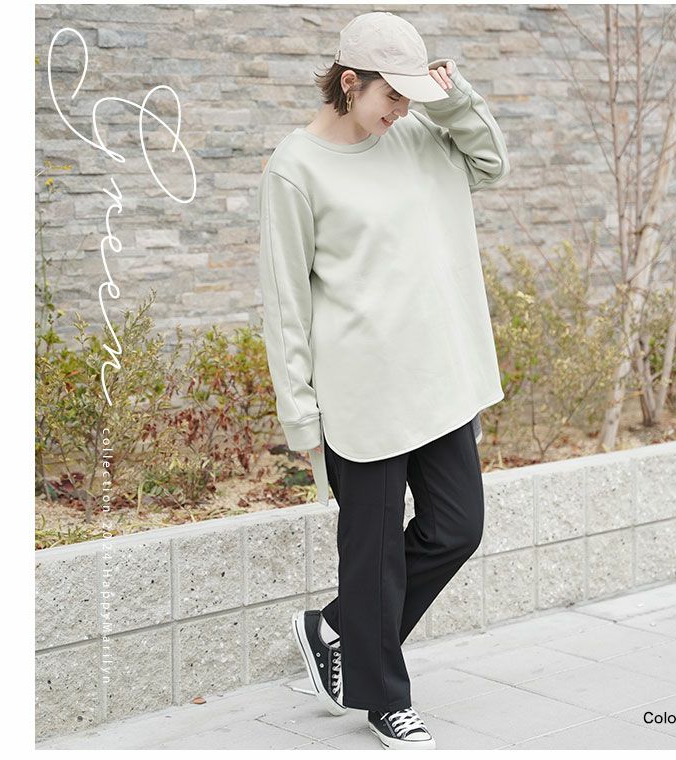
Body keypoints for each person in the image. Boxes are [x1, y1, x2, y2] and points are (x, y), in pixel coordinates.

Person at [258, 10, 510, 750]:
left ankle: (337, 628)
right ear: (349, 82)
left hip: (440, 377)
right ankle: (384, 699)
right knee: (371, 555)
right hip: (360, 392)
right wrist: (301, 416)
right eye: (390, 96)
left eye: (409, 97)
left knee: (457, 529)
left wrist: (453, 98)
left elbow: (492, 165)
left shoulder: (423, 135)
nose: (400, 110)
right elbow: (285, 302)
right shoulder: (295, 168)